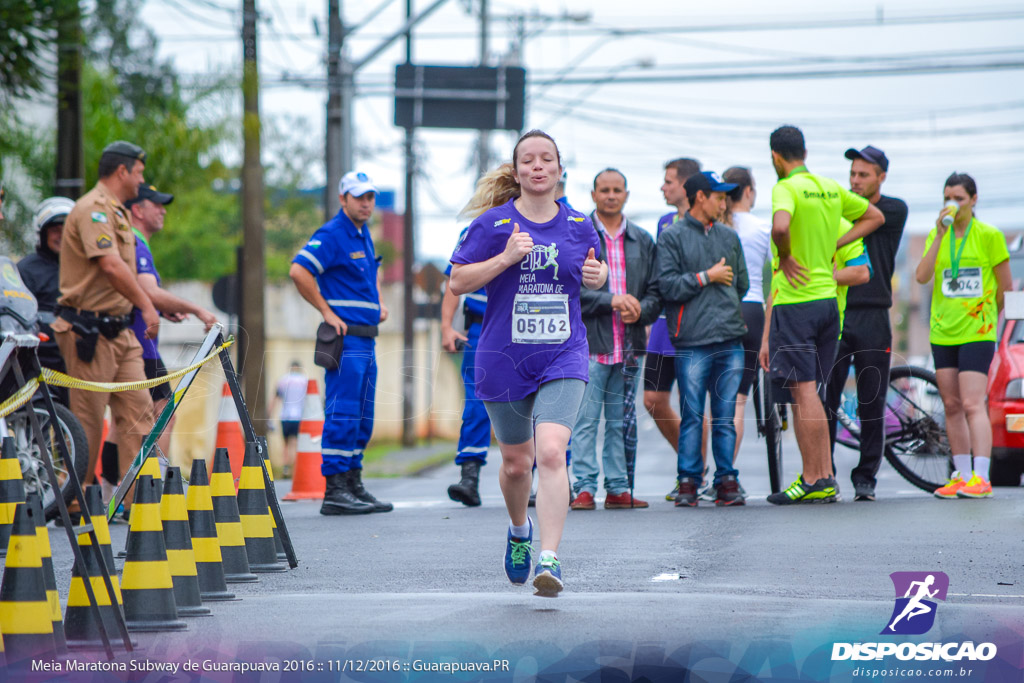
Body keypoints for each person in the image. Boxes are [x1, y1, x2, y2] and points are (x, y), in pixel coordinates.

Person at [449, 130, 606, 598]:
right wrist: (505, 258)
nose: (538, 167)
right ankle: (520, 531)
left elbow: (593, 274)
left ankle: (550, 558)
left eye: (546, 159)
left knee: (552, 452)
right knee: (518, 465)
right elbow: (458, 281)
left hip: (563, 352)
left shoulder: (579, 223)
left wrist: (599, 277)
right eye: (528, 161)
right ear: (516, 171)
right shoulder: (493, 225)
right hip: (503, 356)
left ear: (560, 169)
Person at [759, 126, 884, 505]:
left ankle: (815, 478)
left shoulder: (786, 188)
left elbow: (781, 226)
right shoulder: (829, 187)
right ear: (805, 151)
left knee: (803, 391)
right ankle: (821, 475)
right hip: (830, 303)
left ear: (776, 157)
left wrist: (784, 255)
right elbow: (874, 216)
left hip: (797, 302)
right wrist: (835, 242)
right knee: (810, 391)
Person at [51, 141, 159, 507]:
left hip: (120, 331)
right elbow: (111, 266)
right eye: (140, 173)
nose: (142, 180)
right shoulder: (93, 210)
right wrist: (148, 307)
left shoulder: (118, 212)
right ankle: (75, 502)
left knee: (140, 413)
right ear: (122, 171)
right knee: (88, 424)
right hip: (89, 332)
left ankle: (139, 503)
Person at [290, 171, 392, 516]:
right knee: (344, 412)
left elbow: (359, 282)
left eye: (370, 197)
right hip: (346, 343)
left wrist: (376, 307)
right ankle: (334, 489)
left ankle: (353, 483)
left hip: (366, 340)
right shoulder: (333, 234)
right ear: (343, 199)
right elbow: (299, 271)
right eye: (359, 197)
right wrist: (326, 310)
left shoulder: (363, 234)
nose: (366, 203)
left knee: (363, 416)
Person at [111, 183, 218, 477]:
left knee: (124, 421)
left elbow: (142, 293)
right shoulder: (134, 240)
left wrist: (161, 308)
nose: (163, 210)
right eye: (156, 204)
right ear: (137, 209)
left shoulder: (134, 242)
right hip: (139, 345)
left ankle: (112, 489)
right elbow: (148, 289)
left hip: (136, 342)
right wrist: (197, 309)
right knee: (161, 415)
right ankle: (153, 484)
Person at [571, 168, 660, 511]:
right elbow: (571, 292)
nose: (611, 195)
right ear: (593, 195)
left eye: (617, 190)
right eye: (604, 190)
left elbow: (656, 291)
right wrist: (611, 300)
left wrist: (642, 309)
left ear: (626, 194)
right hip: (590, 346)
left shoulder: (642, 239)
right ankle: (584, 488)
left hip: (630, 345)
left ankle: (618, 488)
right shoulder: (579, 236)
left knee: (620, 422)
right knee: (585, 421)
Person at [916, 173, 1009, 500]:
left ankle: (981, 477)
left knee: (972, 402)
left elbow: (1007, 289)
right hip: (943, 331)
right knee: (951, 404)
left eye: (958, 197)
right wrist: (940, 236)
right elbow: (922, 276)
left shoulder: (989, 235)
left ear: (973, 199)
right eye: (947, 198)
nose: (951, 204)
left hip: (977, 330)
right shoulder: (936, 235)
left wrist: (994, 324)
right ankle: (961, 473)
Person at [658, 171, 749, 507]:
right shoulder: (672, 237)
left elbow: (741, 284)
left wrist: (713, 292)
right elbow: (666, 286)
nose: (724, 203)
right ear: (700, 197)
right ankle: (688, 481)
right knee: (692, 412)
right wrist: (705, 277)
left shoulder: (728, 236)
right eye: (718, 196)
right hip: (691, 339)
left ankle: (726, 480)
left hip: (729, 337)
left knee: (724, 415)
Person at [823, 146, 908, 501]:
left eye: (863, 175)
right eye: (852, 174)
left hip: (873, 313)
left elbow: (864, 218)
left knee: (871, 399)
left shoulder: (892, 209)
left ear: (881, 177)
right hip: (836, 312)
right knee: (825, 395)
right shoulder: (839, 208)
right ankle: (821, 473)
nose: (855, 181)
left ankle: (866, 477)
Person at [648, 158, 704, 501]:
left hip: (696, 324)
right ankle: (691, 462)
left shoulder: (710, 221)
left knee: (694, 405)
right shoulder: (664, 222)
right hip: (661, 325)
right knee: (653, 399)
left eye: (668, 181)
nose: (663, 187)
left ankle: (694, 474)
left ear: (686, 186)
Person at [721, 167, 771, 472]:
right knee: (739, 399)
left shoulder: (714, 226)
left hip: (720, 311)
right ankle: (726, 473)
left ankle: (698, 475)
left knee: (714, 401)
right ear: (749, 191)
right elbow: (779, 273)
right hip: (753, 309)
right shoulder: (763, 227)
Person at [441, 232, 491, 507]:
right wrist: (447, 326)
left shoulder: (541, 219)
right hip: (481, 326)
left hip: (525, 325)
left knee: (531, 403)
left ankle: (535, 481)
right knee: (476, 401)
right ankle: (469, 477)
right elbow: (454, 280)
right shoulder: (477, 229)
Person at [19, 197, 75, 404]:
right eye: (54, 229)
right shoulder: (25, 269)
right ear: (42, 233)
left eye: (66, 228)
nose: (61, 235)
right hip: (39, 363)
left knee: (81, 426)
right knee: (38, 426)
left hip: (78, 362)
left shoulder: (88, 269)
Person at [267, 361, 308, 477]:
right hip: (299, 416)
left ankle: (286, 467)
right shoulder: (304, 381)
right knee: (295, 443)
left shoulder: (283, 380)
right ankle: (294, 468)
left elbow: (274, 400)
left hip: (285, 416)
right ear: (299, 368)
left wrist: (269, 418)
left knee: (285, 443)